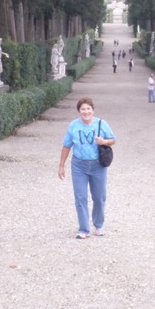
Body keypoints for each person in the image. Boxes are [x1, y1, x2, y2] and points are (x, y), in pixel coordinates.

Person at [58, 98, 116, 239]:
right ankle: (84, 229)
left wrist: (104, 141)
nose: (86, 112)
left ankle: (98, 225)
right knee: (80, 197)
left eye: (88, 108)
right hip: (79, 165)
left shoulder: (102, 124)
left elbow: (113, 139)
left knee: (99, 197)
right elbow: (66, 146)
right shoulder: (73, 126)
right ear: (79, 111)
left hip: (98, 165)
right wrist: (61, 165)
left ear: (93, 110)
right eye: (83, 109)